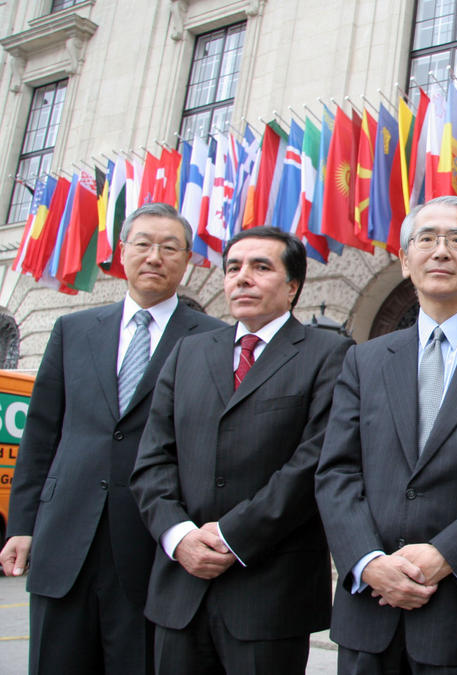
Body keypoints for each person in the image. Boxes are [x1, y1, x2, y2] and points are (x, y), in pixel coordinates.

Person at [315, 196, 457, 674]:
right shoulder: (364, 360)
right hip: (370, 608)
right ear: (405, 260)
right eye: (426, 239)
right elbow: (337, 470)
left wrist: (445, 555)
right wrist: (368, 562)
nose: (440, 251)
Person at [0, 202, 224, 674]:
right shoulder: (73, 329)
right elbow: (41, 433)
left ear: (188, 261)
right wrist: (21, 524)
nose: (154, 256)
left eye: (169, 247)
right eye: (143, 244)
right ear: (122, 253)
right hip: (64, 536)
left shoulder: (213, 340)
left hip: (149, 545)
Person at [130, 226, 352, 674]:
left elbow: (313, 463)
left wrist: (233, 535)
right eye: (233, 268)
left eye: (260, 267)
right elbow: (153, 459)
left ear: (292, 287)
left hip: (269, 594)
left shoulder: (330, 353)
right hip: (181, 587)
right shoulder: (187, 353)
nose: (242, 278)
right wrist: (180, 536)